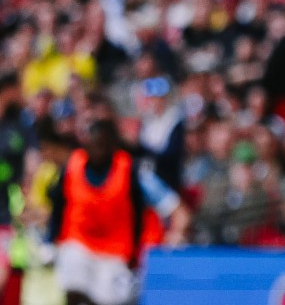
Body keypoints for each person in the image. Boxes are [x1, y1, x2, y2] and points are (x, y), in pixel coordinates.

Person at [47, 121, 187, 305]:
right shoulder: (71, 168)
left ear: (113, 145)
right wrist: (50, 240)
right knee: (73, 278)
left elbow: (175, 207)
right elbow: (57, 207)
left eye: (102, 145)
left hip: (115, 254)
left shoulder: (132, 171)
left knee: (107, 298)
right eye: (93, 145)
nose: (98, 151)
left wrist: (176, 233)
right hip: (79, 244)